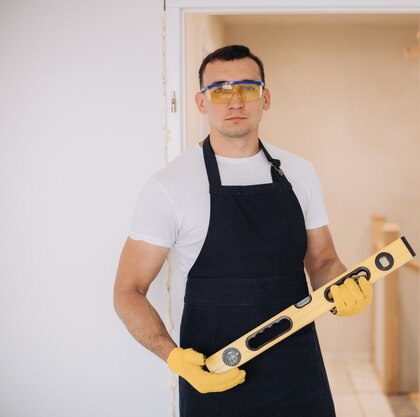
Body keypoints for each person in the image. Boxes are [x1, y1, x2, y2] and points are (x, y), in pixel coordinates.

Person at [113, 44, 373, 417]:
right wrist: (173, 357)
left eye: (247, 88)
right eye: (219, 90)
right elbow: (127, 290)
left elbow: (323, 260)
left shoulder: (300, 173)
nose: (234, 101)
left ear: (264, 97)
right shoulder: (170, 186)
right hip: (216, 377)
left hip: (296, 373)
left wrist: (343, 286)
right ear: (201, 102)